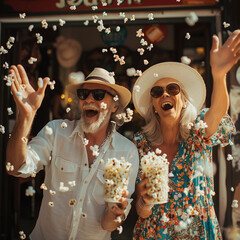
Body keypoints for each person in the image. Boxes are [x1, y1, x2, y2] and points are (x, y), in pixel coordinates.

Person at [6, 66, 139, 240]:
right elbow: (15, 168)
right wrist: (26, 116)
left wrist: (115, 212)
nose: (89, 99)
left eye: (99, 95)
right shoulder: (56, 132)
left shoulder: (126, 152)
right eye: (84, 94)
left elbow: (108, 225)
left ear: (114, 106)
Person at [131, 30, 240, 240]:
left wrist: (219, 75)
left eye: (172, 89)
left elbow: (217, 112)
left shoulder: (198, 133)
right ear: (154, 105)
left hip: (199, 233)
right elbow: (141, 209)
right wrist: (145, 202)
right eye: (157, 92)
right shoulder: (141, 143)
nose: (165, 94)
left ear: (183, 101)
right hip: (155, 234)